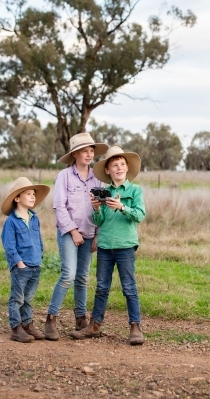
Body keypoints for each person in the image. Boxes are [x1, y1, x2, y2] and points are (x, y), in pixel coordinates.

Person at [70, 145, 146, 345]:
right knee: (102, 287)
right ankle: (94, 325)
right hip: (105, 245)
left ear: (127, 168)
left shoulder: (135, 191)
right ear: (107, 170)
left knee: (129, 287)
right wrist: (96, 209)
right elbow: (99, 221)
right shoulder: (103, 192)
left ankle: (135, 326)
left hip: (125, 245)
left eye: (122, 164)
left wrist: (122, 207)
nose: (119, 168)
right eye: (114, 165)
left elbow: (140, 215)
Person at [44, 133, 109, 340]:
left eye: (91, 151)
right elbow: (59, 206)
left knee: (82, 277)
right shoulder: (64, 176)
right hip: (68, 232)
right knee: (68, 275)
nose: (89, 154)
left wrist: (98, 234)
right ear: (75, 154)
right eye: (85, 151)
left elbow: (101, 208)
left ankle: (81, 318)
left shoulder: (97, 177)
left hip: (90, 232)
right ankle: (51, 319)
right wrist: (72, 231)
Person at [1, 177, 50, 343]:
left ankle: (27, 324)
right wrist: (19, 262)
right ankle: (16, 328)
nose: (32, 197)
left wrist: (40, 257)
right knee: (17, 298)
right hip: (21, 266)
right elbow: (9, 245)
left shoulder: (34, 218)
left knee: (28, 298)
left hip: (35, 264)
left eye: (33, 194)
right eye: (28, 194)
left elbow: (38, 240)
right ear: (17, 198)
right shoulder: (11, 222)